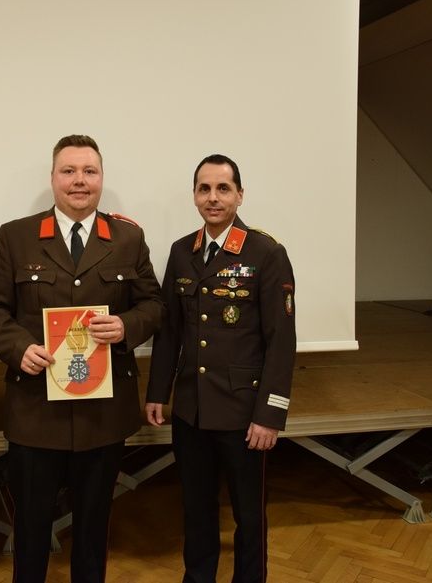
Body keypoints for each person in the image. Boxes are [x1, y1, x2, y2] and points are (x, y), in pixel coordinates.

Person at [0, 134, 164, 583]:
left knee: (93, 529)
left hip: (104, 413)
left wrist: (125, 328)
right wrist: (19, 347)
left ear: (101, 179)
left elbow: (154, 305)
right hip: (35, 411)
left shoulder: (127, 238)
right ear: (53, 178)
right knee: (33, 529)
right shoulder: (18, 235)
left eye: (89, 172)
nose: (79, 181)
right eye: (69, 171)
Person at [144, 154, 296, 583]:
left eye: (223, 188)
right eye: (204, 189)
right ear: (194, 196)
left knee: (249, 515)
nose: (213, 198)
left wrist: (270, 414)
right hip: (191, 410)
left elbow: (281, 342)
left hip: (243, 413)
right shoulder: (181, 251)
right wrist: (159, 392)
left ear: (239, 195)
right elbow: (169, 331)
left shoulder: (266, 253)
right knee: (196, 509)